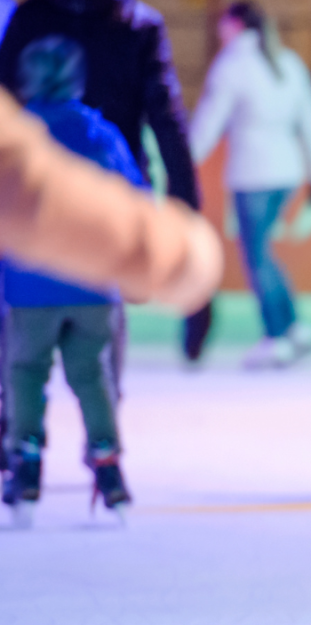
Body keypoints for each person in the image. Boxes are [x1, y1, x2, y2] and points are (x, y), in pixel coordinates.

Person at [0, 64, 222, 523]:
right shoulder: (100, 133)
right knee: (92, 375)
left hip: (29, 289)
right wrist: (161, 252)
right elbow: (133, 193)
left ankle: (27, 456)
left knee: (25, 373)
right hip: (92, 289)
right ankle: (106, 458)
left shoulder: (23, 128)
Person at [0, 0, 215, 366]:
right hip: (106, 192)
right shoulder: (135, 23)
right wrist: (186, 223)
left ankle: (18, 406)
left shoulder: (36, 15)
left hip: (59, 191)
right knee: (96, 320)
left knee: (26, 311)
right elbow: (167, 120)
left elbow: (168, 119)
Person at [191, 2, 311, 371]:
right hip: (286, 170)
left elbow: (210, 121)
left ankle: (277, 335)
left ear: (235, 25)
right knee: (263, 251)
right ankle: (292, 326)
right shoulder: (287, 62)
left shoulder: (233, 66)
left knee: (256, 255)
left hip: (254, 173)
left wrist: (183, 158)